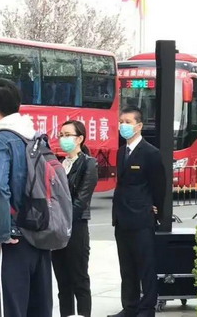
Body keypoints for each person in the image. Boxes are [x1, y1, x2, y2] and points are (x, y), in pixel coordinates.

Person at [0, 78, 52, 317]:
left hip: (11, 238)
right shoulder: (34, 136)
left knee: (3, 309)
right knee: (37, 308)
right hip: (38, 233)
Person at [108, 106, 166, 317]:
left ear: (139, 125)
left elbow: (159, 186)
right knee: (127, 267)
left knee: (145, 267)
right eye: (121, 122)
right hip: (121, 218)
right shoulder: (121, 151)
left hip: (141, 218)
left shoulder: (151, 153)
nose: (123, 126)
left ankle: (146, 308)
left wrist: (155, 211)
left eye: (128, 122)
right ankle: (129, 307)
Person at [52, 120, 98, 317]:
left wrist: (62, 220)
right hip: (57, 229)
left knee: (79, 279)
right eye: (61, 135)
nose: (63, 139)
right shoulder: (58, 163)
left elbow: (81, 200)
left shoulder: (88, 163)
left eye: (68, 135)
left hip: (76, 227)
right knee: (63, 283)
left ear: (79, 139)